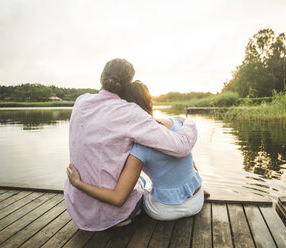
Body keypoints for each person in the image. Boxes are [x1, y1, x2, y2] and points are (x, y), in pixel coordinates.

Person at [64, 59, 197, 231]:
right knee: (140, 182)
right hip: (112, 212)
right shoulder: (130, 112)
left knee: (137, 177)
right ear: (128, 83)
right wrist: (188, 122)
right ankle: (122, 218)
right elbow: (182, 147)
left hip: (78, 209)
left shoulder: (81, 101)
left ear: (102, 78)